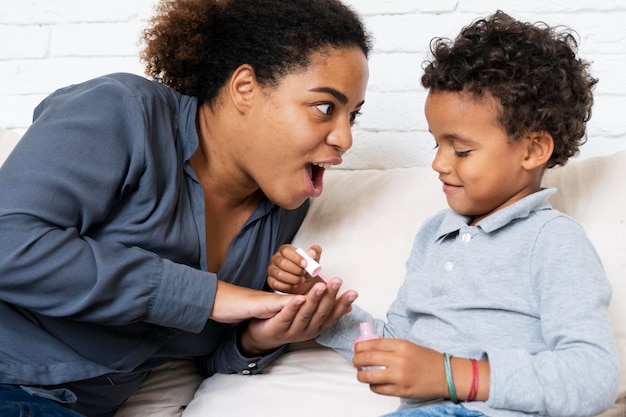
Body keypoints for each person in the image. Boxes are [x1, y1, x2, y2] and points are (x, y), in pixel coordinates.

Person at [0, 0, 370, 415]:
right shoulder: (121, 110)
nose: (345, 139)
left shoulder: (282, 208)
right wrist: (208, 296)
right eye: (325, 108)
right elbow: (7, 243)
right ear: (245, 87)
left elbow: (204, 358)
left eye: (352, 116)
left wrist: (260, 337)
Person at [268, 11, 620, 417]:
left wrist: (451, 375)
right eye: (437, 145)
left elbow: (592, 377)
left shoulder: (554, 240)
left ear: (532, 150)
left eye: (461, 150)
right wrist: (322, 307)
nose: (438, 163)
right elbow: (397, 343)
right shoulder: (436, 234)